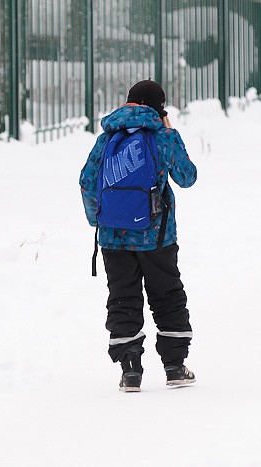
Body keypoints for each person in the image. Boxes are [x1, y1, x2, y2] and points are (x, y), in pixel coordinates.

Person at [79, 80, 198, 393]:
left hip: (112, 239)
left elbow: (87, 182)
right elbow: (187, 177)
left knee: (123, 298)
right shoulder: (160, 136)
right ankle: (174, 367)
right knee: (167, 295)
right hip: (156, 235)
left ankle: (130, 371)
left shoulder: (107, 138)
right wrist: (171, 131)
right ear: (159, 109)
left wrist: (101, 219)